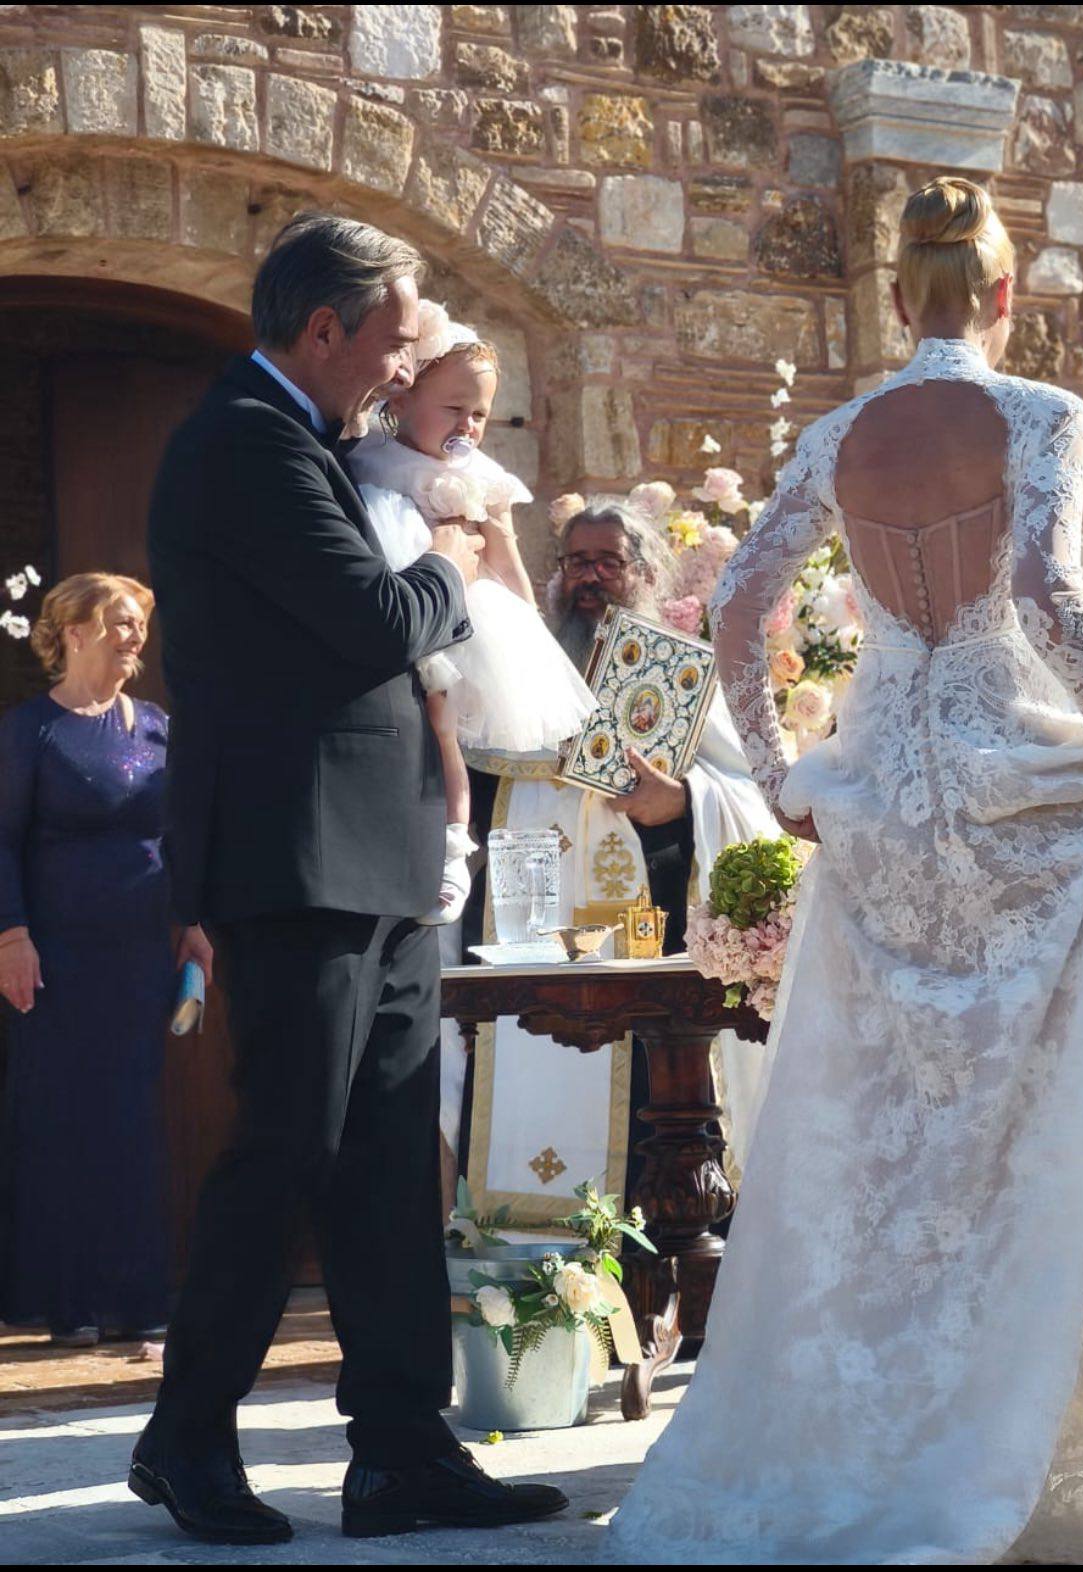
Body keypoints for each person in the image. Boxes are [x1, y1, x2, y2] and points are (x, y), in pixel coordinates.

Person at [609, 175, 1083, 1565]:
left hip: (880, 804)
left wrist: (778, 774)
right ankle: (1034, 1436)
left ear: (898, 292)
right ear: (1002, 292)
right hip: (1014, 797)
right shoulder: (1041, 415)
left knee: (894, 1126)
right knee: (1051, 1118)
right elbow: (1043, 587)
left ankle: (885, 1427)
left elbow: (737, 607)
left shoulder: (838, 433)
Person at [132, 212, 566, 1546]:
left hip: (380, 854)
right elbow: (377, 622)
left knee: (386, 1163)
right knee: (287, 1147)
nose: (402, 366)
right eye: (391, 340)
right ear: (324, 329)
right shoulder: (245, 444)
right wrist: (450, 559)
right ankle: (186, 1438)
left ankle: (400, 1450)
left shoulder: (319, 442)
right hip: (295, 857)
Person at [455, 499, 779, 1221]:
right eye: (577, 562)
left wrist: (683, 800)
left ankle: (657, 1259)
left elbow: (756, 800)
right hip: (531, 940)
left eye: (609, 562)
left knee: (652, 1119)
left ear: (646, 573)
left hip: (650, 944)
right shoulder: (522, 674)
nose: (590, 577)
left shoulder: (680, 675)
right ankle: (534, 1261)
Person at [0, 573, 211, 1346]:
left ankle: (136, 1298)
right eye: (120, 622)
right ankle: (71, 1302)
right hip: (55, 959)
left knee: (129, 1122)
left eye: (139, 624)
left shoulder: (155, 726)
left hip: (138, 956)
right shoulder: (31, 731)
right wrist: (10, 936)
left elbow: (180, 835)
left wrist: (194, 925)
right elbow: (0, 841)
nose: (135, 636)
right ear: (75, 631)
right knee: (62, 1121)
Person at [347, 299, 595, 925]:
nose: (469, 426)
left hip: (470, 619)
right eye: (454, 408)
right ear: (402, 399)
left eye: (480, 414)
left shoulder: (482, 475)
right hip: (408, 602)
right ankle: (417, 843)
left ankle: (455, 846)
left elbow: (506, 559)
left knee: (447, 729)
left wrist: (528, 627)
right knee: (424, 727)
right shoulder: (371, 461)